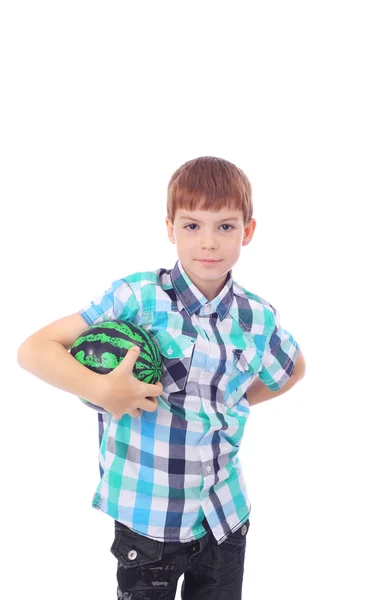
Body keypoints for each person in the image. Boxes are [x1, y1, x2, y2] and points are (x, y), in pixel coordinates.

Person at [17, 156, 306, 599]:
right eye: (192, 226)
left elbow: (292, 369)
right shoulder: (139, 296)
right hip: (149, 516)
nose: (209, 242)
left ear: (247, 231)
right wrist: (102, 390)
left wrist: (231, 400)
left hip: (225, 513)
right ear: (170, 228)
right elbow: (34, 349)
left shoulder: (257, 316)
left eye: (225, 227)